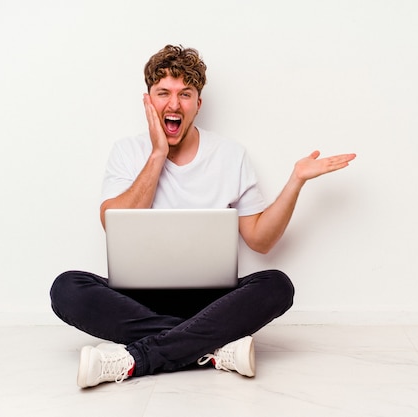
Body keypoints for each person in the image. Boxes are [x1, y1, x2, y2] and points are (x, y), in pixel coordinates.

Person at [50, 45, 356, 388]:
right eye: (163, 93)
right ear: (148, 101)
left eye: (185, 94)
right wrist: (157, 154)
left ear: (198, 103)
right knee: (67, 288)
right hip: (138, 300)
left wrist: (295, 181)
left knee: (277, 286)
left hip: (211, 303)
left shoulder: (230, 154)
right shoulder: (127, 151)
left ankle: (136, 358)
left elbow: (261, 240)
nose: (174, 104)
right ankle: (212, 349)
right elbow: (112, 222)